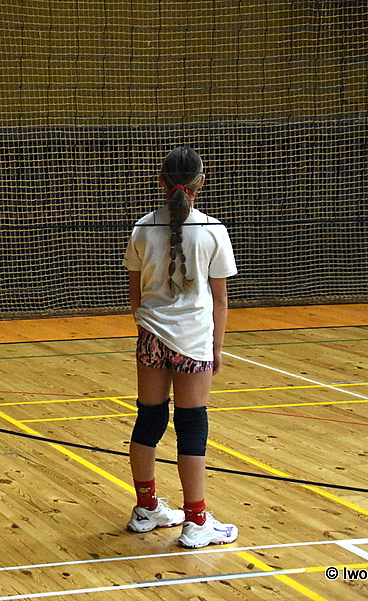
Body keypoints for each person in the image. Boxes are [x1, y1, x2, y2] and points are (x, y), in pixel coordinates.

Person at [122, 146, 239, 549]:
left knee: (148, 420)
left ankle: (146, 508)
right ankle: (196, 521)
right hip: (193, 340)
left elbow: (135, 294)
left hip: (151, 337)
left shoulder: (142, 228)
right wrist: (216, 348)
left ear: (161, 181)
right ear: (200, 183)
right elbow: (220, 299)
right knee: (192, 426)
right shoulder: (213, 230)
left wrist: (148, 327)